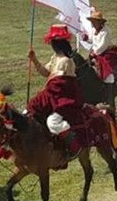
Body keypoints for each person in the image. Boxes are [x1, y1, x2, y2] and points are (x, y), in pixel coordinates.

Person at [26, 24, 84, 157]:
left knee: (52, 123)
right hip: (53, 98)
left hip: (64, 101)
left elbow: (58, 84)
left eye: (53, 42)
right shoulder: (55, 58)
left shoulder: (66, 61)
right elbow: (46, 73)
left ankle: (74, 145)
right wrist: (34, 59)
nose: (51, 44)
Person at [84, 10, 117, 97]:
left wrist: (94, 53)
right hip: (95, 54)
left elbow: (102, 46)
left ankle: (109, 93)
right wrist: (86, 38)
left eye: (95, 21)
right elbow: (91, 40)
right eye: (92, 21)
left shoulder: (105, 32)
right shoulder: (93, 30)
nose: (93, 23)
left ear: (100, 22)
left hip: (106, 54)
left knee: (107, 70)